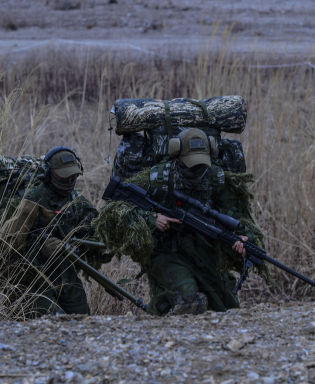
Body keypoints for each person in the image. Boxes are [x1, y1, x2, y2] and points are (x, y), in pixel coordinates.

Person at [95, 128, 270, 316]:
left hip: (205, 253)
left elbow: (240, 219)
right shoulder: (158, 178)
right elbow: (114, 211)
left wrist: (244, 239)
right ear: (176, 158)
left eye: (200, 166)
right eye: (190, 166)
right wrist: (152, 218)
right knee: (190, 301)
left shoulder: (217, 180)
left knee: (228, 310)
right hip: (167, 252)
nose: (195, 172)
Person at [0, 146, 111, 318]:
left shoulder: (78, 204)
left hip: (63, 270)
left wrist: (108, 241)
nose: (70, 181)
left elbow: (96, 239)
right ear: (47, 174)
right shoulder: (27, 201)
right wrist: (39, 247)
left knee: (83, 317)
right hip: (28, 275)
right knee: (49, 320)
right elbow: (4, 248)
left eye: (73, 176)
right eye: (64, 176)